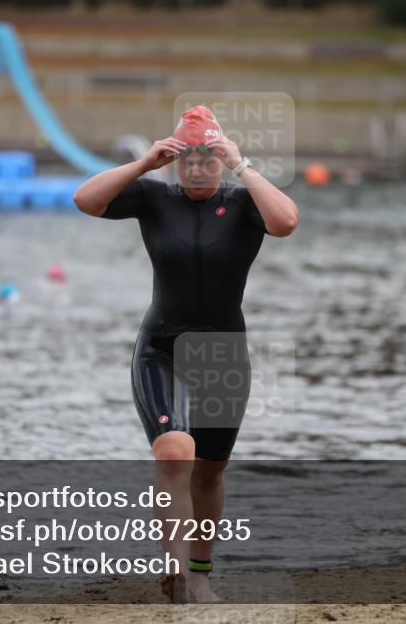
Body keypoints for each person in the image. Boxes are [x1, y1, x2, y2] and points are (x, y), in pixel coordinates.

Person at [74, 105, 298, 602]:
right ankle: (174, 567)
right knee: (175, 448)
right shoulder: (154, 197)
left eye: (208, 159)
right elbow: (85, 200)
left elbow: (285, 222)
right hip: (161, 347)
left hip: (223, 354)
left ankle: (199, 573)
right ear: (175, 161)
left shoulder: (244, 204)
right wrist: (143, 163)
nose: (197, 169)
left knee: (210, 469)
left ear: (220, 160)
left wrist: (242, 165)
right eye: (187, 160)